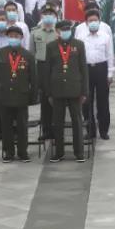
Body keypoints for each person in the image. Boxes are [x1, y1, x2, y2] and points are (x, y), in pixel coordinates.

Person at [0, 25, 38, 162]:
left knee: (22, 126)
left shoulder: (27, 55)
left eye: (16, 37)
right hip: (5, 96)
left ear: (21, 38)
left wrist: (33, 97)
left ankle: (23, 152)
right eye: (11, 36)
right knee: (6, 126)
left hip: (21, 96)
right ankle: (9, 152)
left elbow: (33, 78)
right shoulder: (0, 53)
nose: (13, 39)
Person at [45, 20, 89, 162]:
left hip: (75, 89)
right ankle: (59, 152)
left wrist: (84, 91)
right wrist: (49, 92)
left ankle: (79, 152)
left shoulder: (79, 45)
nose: (65, 31)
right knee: (57, 122)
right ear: (57, 31)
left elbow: (84, 69)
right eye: (62, 29)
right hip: (57, 89)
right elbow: (48, 69)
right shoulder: (51, 46)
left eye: (67, 29)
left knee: (77, 121)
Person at [81, 9, 115, 140]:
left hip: (101, 69)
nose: (93, 23)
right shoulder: (81, 38)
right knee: (86, 102)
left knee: (103, 102)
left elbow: (110, 55)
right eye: (90, 21)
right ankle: (90, 130)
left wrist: (110, 73)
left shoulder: (105, 37)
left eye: (95, 20)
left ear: (99, 21)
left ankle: (104, 130)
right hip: (86, 70)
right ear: (86, 23)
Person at [31, 6, 60, 141]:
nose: (48, 16)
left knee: (56, 100)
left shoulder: (58, 33)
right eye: (46, 14)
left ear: (55, 16)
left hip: (56, 67)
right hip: (41, 68)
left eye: (51, 14)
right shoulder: (35, 33)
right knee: (44, 100)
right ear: (42, 16)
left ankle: (57, 128)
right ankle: (46, 129)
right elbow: (31, 54)